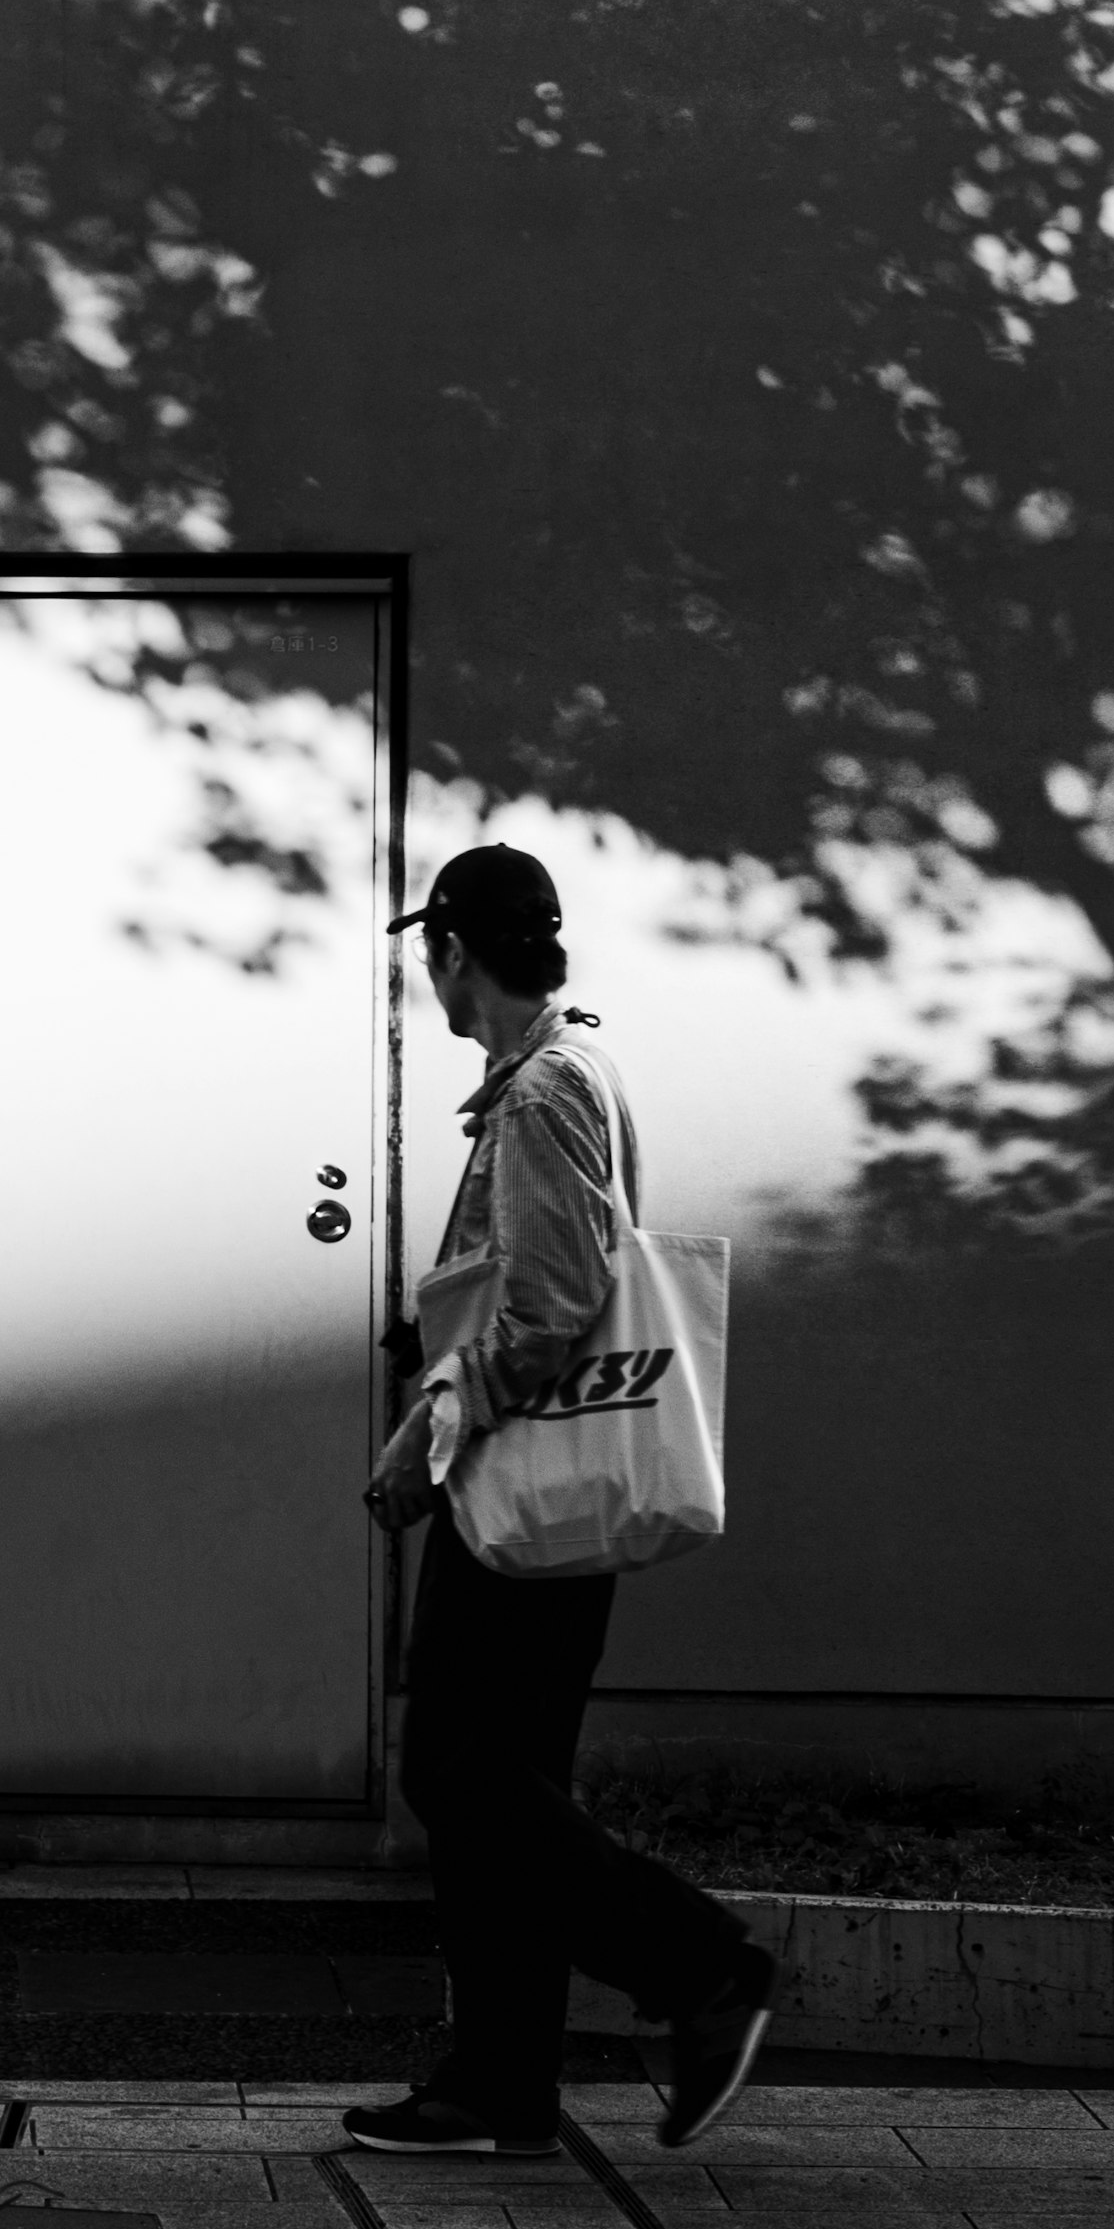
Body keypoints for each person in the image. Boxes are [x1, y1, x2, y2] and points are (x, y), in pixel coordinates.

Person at [346, 844, 775, 2160]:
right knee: (502, 1783)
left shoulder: (543, 1090)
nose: (430, 970)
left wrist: (430, 1433)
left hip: (521, 1489)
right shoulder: (553, 1074)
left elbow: (550, 1301)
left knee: (457, 1772)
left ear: (455, 954)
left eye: (433, 950)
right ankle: (500, 2082)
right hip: (546, 1489)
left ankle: (699, 1964)